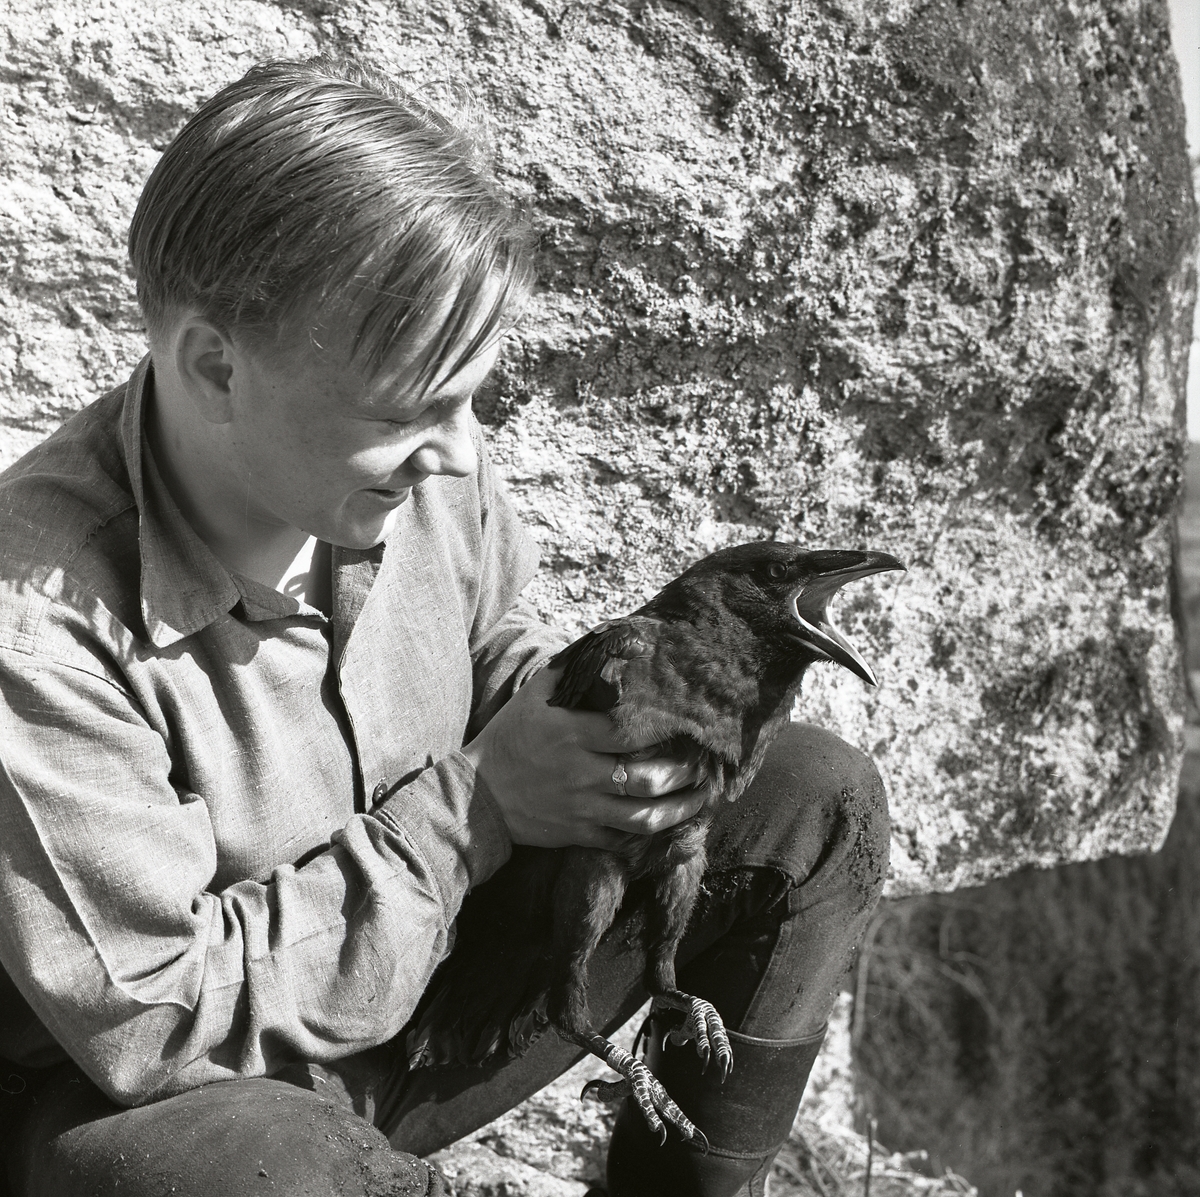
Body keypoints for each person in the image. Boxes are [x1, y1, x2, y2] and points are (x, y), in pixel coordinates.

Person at [0, 54, 888, 1197]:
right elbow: (160, 1025)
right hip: (169, 1109)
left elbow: (487, 654)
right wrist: (480, 807)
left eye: (472, 397)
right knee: (259, 1167)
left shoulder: (405, 475)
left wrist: (601, 730)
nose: (463, 452)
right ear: (216, 366)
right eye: (415, 408)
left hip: (435, 999)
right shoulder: (37, 634)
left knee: (814, 800)